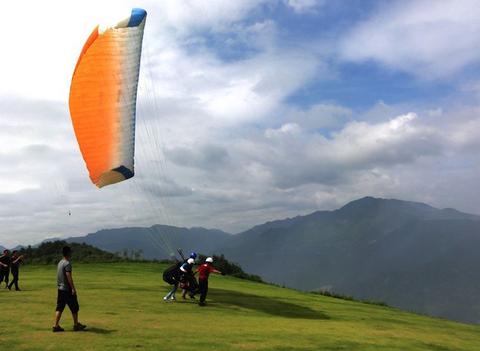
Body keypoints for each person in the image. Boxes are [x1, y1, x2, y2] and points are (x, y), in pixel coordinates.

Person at [52, 246, 86, 332]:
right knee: (74, 307)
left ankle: (55, 326)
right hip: (67, 289)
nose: (71, 253)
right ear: (68, 253)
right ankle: (76, 324)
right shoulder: (67, 263)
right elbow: (68, 276)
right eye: (70, 252)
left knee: (59, 307)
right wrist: (73, 289)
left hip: (60, 288)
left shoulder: (60, 262)